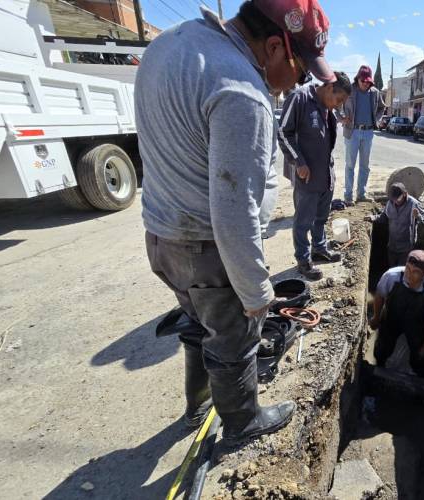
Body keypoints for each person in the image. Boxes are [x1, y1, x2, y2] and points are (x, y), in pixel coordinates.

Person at [135, 0, 336, 446]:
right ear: (273, 46)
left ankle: (199, 405)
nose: (299, 81)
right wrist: (256, 292)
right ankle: (242, 422)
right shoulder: (242, 92)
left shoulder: (172, 43)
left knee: (199, 322)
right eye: (300, 69)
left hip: (162, 235)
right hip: (208, 247)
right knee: (235, 339)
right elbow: (233, 212)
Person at [279, 71, 352, 280]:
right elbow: (284, 133)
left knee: (321, 216)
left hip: (325, 173)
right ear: (329, 88)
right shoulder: (300, 98)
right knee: (303, 220)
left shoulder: (328, 108)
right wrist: (299, 162)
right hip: (307, 175)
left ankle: (319, 249)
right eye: (338, 99)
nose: (338, 105)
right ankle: (303, 260)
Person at [369, 250, 424, 378]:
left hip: (416, 325)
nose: (409, 274)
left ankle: (418, 375)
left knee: (419, 356)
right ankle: (378, 366)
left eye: (416, 272)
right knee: (383, 346)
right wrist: (376, 317)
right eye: (408, 268)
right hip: (393, 317)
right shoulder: (391, 276)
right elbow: (380, 296)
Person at [341, 65, 385, 204]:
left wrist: (377, 120)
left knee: (364, 166)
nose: (365, 84)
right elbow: (336, 104)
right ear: (358, 78)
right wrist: (341, 117)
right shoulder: (349, 91)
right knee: (350, 165)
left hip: (368, 133)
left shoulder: (375, 92)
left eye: (368, 82)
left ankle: (361, 194)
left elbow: (382, 107)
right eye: (363, 81)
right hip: (352, 131)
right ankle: (348, 197)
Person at [366, 182, 424, 267]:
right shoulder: (390, 203)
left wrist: (418, 216)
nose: (395, 202)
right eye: (393, 199)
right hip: (392, 246)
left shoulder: (413, 204)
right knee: (392, 269)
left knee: (401, 271)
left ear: (405, 194)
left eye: (398, 199)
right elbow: (384, 217)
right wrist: (373, 217)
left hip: (406, 248)